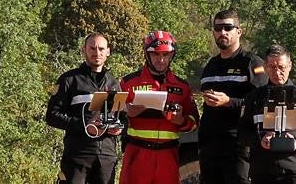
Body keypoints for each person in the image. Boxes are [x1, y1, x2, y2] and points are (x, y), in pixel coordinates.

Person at [237, 44, 296, 184]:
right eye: (272, 67)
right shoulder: (254, 98)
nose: (277, 72)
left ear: (290, 65)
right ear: (265, 67)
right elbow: (242, 134)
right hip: (262, 171)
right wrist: (260, 140)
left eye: (281, 67)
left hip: (294, 171)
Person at [120, 30, 199, 184]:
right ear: (146, 54)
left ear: (172, 55)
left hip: (168, 155)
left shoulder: (182, 87)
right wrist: (126, 111)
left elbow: (195, 123)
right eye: (156, 54)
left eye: (166, 55)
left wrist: (181, 121)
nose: (161, 60)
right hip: (137, 154)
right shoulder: (128, 83)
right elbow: (111, 117)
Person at [197, 10, 267, 184]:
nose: (223, 33)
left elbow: (263, 104)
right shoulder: (210, 65)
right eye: (218, 28)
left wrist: (229, 102)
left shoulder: (253, 64)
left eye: (228, 28)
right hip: (209, 146)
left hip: (238, 146)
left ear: (239, 31)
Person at [46, 32, 123, 184]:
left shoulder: (114, 83)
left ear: (108, 51)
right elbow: (52, 116)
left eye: (101, 49)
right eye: (92, 48)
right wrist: (84, 126)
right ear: (84, 50)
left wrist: (119, 127)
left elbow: (122, 117)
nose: (97, 52)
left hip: (106, 157)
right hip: (77, 156)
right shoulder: (69, 80)